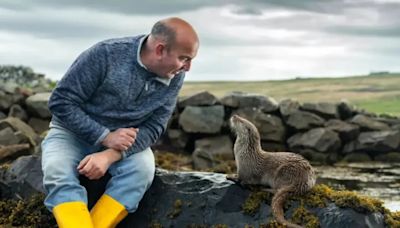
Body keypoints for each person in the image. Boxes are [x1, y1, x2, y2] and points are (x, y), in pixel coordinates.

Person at [41, 17, 199, 228]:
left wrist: (111, 154)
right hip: (71, 134)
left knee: (142, 171)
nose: (187, 67)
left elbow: (155, 127)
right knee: (57, 171)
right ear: (160, 50)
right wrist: (105, 137)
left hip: (124, 143)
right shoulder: (105, 54)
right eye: (184, 58)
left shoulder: (174, 75)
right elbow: (61, 102)